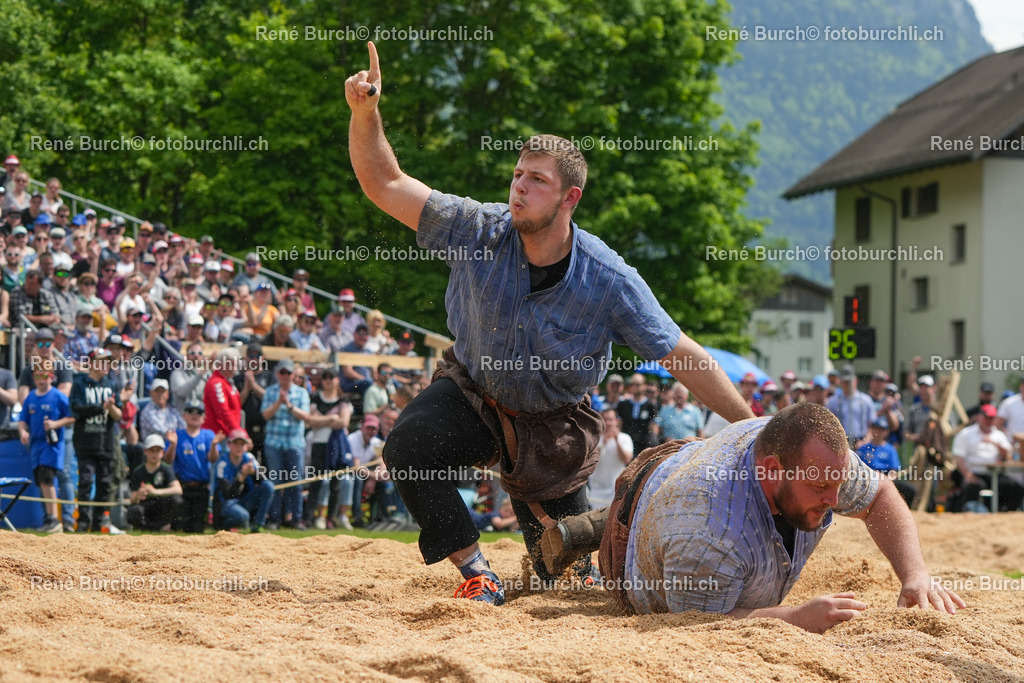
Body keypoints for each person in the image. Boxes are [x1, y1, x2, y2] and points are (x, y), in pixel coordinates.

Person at [345, 43, 753, 605]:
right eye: (517, 174)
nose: (518, 186)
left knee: (566, 577)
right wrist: (364, 114)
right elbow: (385, 184)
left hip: (552, 431)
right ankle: (475, 570)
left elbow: (681, 354)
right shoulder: (475, 228)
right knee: (409, 447)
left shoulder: (608, 278)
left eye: (536, 179)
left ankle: (574, 548)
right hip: (473, 394)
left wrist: (751, 428)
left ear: (569, 198)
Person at [586, 403, 964, 630]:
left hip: (693, 459)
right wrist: (795, 617)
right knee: (638, 521)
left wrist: (914, 575)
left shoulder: (818, 464)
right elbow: (699, 625)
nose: (835, 500)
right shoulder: (707, 534)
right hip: (633, 524)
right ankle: (589, 527)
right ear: (771, 469)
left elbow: (880, 493)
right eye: (819, 489)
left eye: (838, 483)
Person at [70, 348, 122, 532]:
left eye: (108, 361)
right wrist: (101, 407)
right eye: (102, 361)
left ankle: (100, 521)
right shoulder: (79, 384)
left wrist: (111, 408)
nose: (106, 365)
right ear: (91, 363)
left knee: (105, 483)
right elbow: (76, 409)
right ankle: (83, 522)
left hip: (105, 442)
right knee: (85, 481)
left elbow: (118, 414)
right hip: (85, 441)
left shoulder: (112, 384)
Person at [19, 364, 74, 533]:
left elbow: (72, 417)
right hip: (35, 446)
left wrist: (55, 424)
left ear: (52, 377)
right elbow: (23, 419)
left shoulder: (58, 396)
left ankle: (55, 519)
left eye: (44, 376)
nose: (40, 380)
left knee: (47, 479)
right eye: (37, 376)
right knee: (41, 481)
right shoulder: (30, 398)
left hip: (52, 446)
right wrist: (22, 431)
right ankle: (49, 518)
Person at [260, 358, 312, 529]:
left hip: (295, 443)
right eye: (282, 372)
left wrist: (289, 406)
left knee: (295, 482)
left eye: (288, 373)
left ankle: (296, 519)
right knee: (276, 481)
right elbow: (265, 415)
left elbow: (306, 417)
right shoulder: (270, 391)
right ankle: (275, 519)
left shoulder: (302, 393)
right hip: (273, 443)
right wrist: (278, 403)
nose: (285, 376)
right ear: (277, 374)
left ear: (293, 375)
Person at [952, 404, 1022, 512]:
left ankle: (1005, 513)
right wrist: (966, 473)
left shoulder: (999, 435)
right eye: (986, 418)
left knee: (1016, 488)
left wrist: (996, 444)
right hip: (974, 473)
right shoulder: (966, 434)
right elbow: (959, 457)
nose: (989, 421)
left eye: (991, 418)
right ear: (979, 417)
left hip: (994, 474)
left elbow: (1008, 455)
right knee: (972, 486)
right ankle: (968, 513)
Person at [165, 400, 220, 532]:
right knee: (180, 526)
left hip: (201, 488)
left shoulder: (209, 435)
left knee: (197, 527)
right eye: (191, 411)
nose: (194, 415)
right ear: (184, 415)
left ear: (204, 417)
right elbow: (167, 460)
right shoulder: (177, 435)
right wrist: (172, 445)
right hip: (183, 488)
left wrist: (213, 445)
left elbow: (213, 459)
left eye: (199, 412)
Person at [215, 428, 275, 531]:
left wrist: (253, 473)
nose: (239, 447)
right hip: (227, 503)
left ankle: (258, 525)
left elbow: (264, 480)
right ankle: (223, 526)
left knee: (268, 485)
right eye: (236, 443)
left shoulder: (249, 458)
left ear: (246, 446)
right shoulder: (223, 463)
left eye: (242, 444)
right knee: (243, 516)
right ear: (229, 445)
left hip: (245, 501)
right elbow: (228, 495)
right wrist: (242, 477)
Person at [127, 434, 184, 531]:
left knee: (176, 500)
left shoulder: (166, 468)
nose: (155, 454)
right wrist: (138, 495)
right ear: (145, 452)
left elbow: (178, 489)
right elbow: (132, 500)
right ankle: (148, 528)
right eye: (151, 450)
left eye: (158, 451)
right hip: (145, 506)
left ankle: (160, 526)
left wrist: (156, 492)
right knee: (133, 511)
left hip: (161, 505)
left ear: (162, 453)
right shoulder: (138, 471)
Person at [857, 417, 915, 506]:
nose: (878, 432)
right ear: (872, 430)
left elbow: (894, 471)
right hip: (866, 478)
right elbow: (857, 467)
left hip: (885, 477)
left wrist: (887, 481)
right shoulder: (863, 448)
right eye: (876, 429)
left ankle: (906, 510)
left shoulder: (890, 450)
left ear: (886, 432)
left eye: (881, 430)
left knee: (910, 490)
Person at [587, 408, 633, 508]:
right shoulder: (594, 439)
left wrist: (617, 442)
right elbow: (589, 460)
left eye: (611, 420)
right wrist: (603, 443)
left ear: (616, 421)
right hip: (597, 489)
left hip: (616, 489)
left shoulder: (625, 438)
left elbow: (626, 460)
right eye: (605, 419)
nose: (608, 423)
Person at [826, 366, 874, 448]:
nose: (847, 384)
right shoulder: (833, 402)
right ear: (840, 382)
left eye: (849, 381)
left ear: (856, 381)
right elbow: (828, 425)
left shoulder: (866, 400)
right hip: (841, 442)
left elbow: (872, 426)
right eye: (844, 381)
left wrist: (865, 442)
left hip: (862, 442)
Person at [617, 373, 660, 452]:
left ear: (644, 386)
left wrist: (653, 445)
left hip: (644, 445)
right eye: (632, 384)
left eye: (637, 384)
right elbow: (619, 424)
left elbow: (653, 427)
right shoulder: (623, 404)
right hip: (626, 444)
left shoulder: (651, 405)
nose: (634, 387)